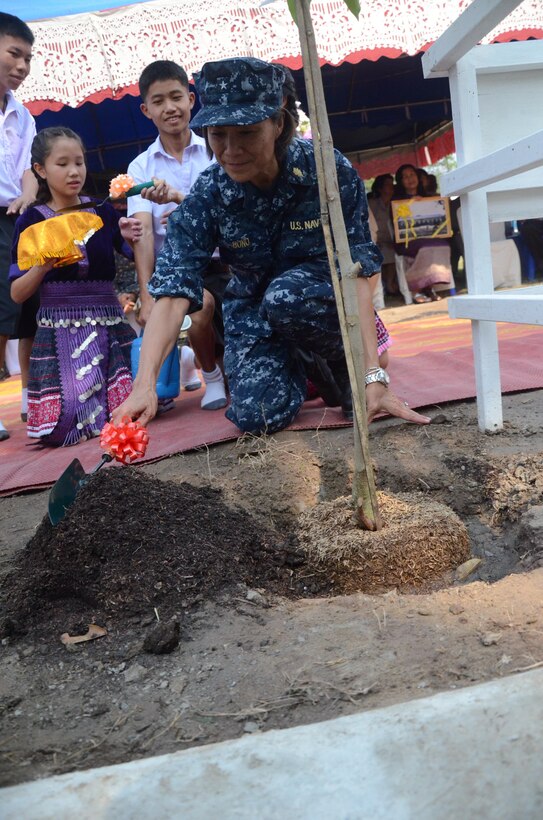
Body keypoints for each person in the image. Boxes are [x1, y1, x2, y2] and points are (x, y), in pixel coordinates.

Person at [113, 57, 430, 434]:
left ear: (278, 123)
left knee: (286, 297)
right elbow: (172, 291)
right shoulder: (210, 192)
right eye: (217, 133)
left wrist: (372, 373)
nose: (230, 149)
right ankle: (307, 367)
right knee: (256, 417)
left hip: (322, 302)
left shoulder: (326, 172)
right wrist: (144, 386)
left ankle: (345, 366)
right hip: (252, 310)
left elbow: (357, 271)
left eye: (245, 132)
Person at [9, 127, 136, 446]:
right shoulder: (30, 222)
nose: (74, 171)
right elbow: (17, 293)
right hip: (58, 332)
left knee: (126, 413)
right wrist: (43, 266)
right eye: (62, 164)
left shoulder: (103, 210)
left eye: (79, 162)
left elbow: (134, 252)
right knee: (63, 425)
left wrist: (136, 230)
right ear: (40, 170)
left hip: (109, 326)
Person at [126, 60, 227, 411]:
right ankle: (210, 375)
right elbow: (142, 234)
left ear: (191, 98)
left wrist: (184, 202)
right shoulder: (140, 168)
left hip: (228, 261)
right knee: (201, 307)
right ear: (146, 110)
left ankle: (216, 365)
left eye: (176, 97)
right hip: (180, 271)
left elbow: (231, 210)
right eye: (159, 101)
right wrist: (145, 292)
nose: (170, 108)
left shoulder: (218, 150)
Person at [0, 12, 38, 441]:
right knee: (2, 311)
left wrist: (29, 195)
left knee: (29, 307)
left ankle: (31, 393)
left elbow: (31, 164)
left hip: (19, 214)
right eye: (14, 53)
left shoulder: (23, 114)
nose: (22, 66)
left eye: (28, 57)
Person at [393, 163, 452, 304]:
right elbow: (400, 225)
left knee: (443, 244)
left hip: (429, 237)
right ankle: (416, 289)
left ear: (418, 177)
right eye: (405, 177)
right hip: (407, 241)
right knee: (426, 248)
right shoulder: (396, 202)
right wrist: (411, 204)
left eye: (412, 175)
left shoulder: (429, 198)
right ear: (400, 182)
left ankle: (428, 286)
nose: (410, 179)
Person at [368, 174, 397, 298]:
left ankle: (390, 284)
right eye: (387, 184)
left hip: (393, 240)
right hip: (377, 240)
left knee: (392, 252)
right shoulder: (371, 204)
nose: (391, 186)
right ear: (380, 188)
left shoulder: (396, 203)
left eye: (392, 183)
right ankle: (385, 286)